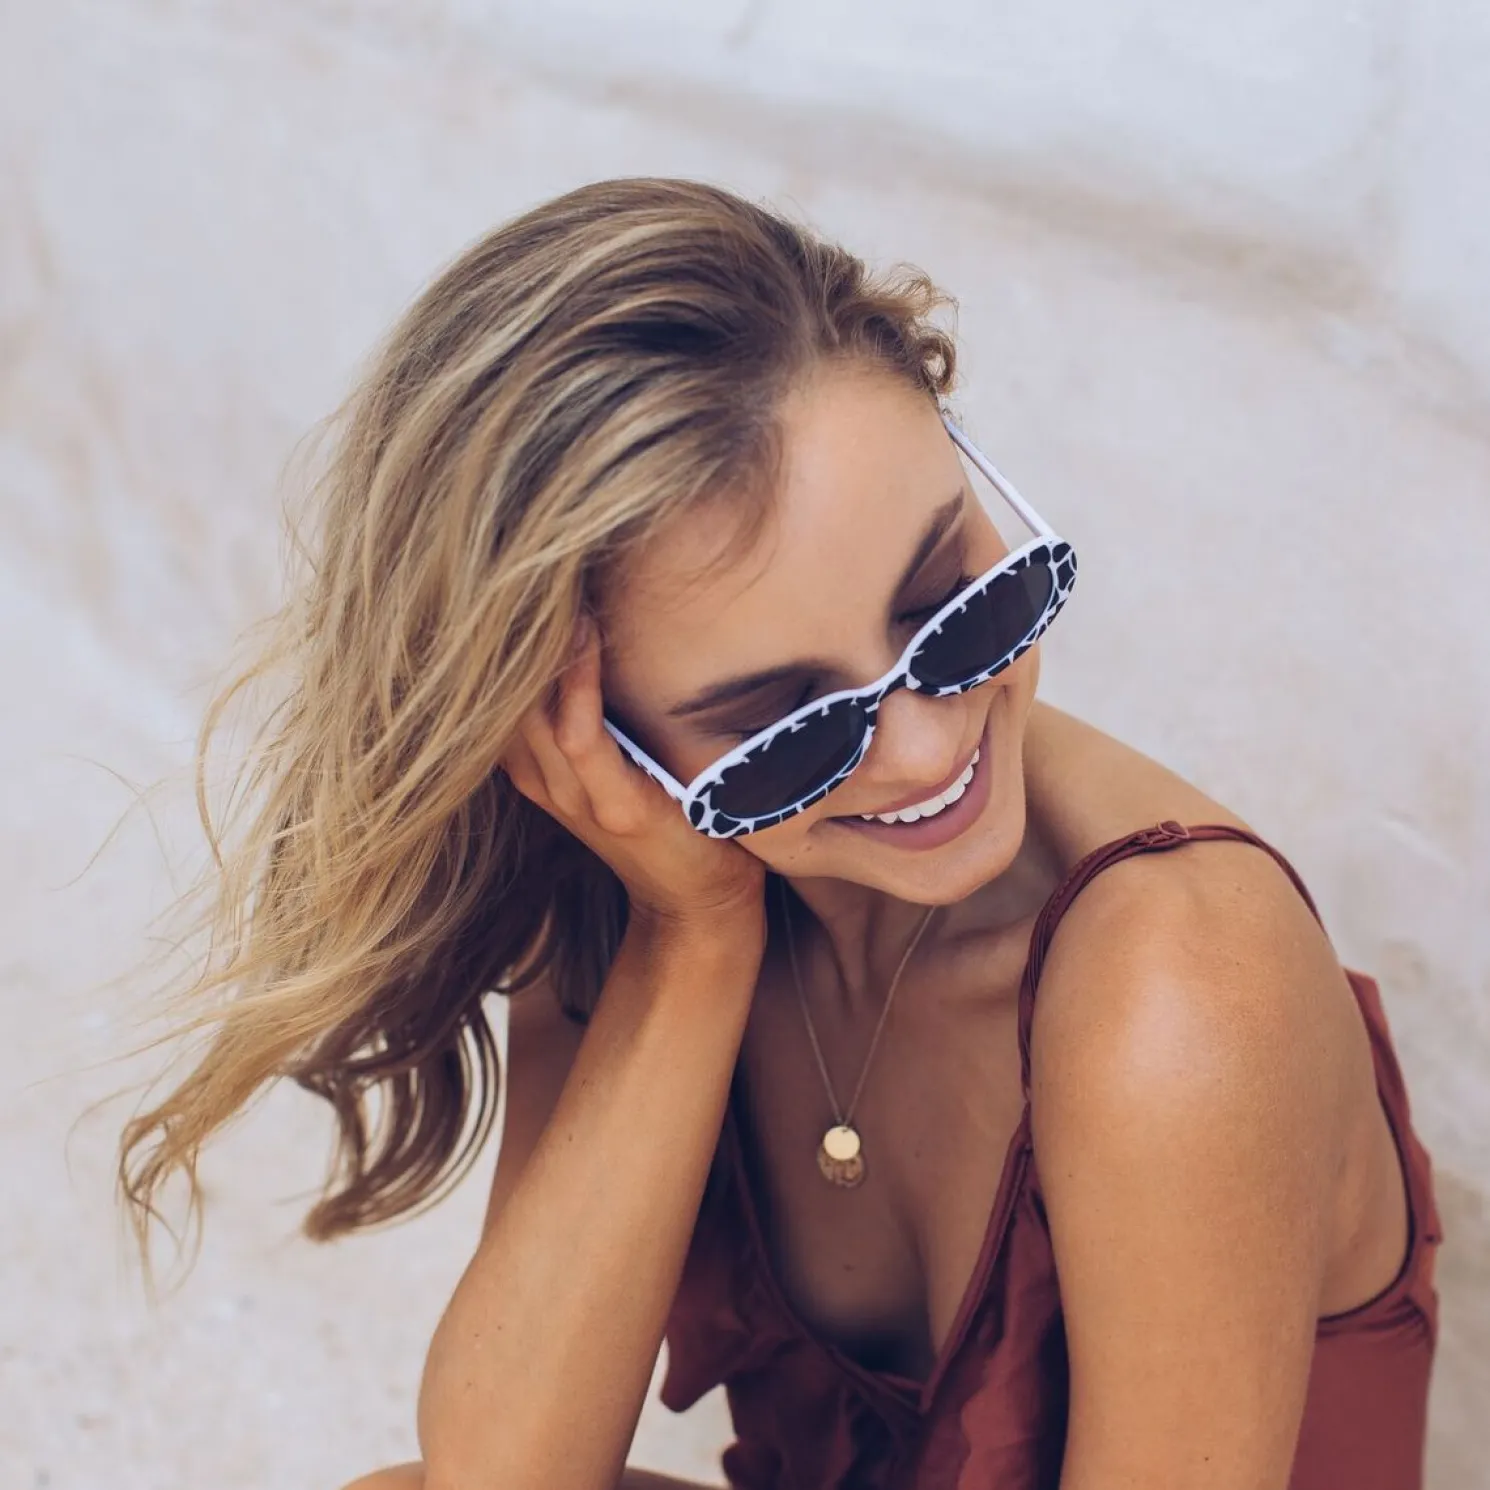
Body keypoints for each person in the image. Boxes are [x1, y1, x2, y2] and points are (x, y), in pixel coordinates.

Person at [119, 178, 1441, 1490]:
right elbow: (502, 1471)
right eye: (783, 730)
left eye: (954, 604)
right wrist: (691, 935)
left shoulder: (1181, 978)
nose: (925, 748)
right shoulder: (636, 871)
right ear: (583, 734)